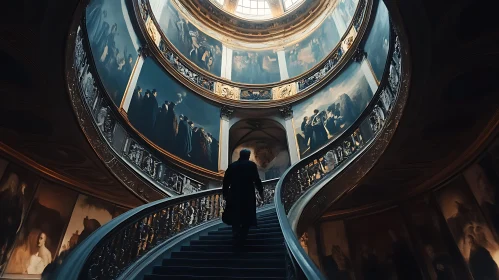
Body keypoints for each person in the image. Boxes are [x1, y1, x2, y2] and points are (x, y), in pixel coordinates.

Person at [222, 149, 263, 247]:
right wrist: (260, 191)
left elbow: (226, 181)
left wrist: (225, 193)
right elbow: (256, 179)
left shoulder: (232, 166)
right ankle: (243, 236)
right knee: (247, 214)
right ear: (248, 156)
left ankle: (235, 234)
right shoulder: (251, 165)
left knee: (235, 214)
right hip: (247, 194)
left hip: (234, 193)